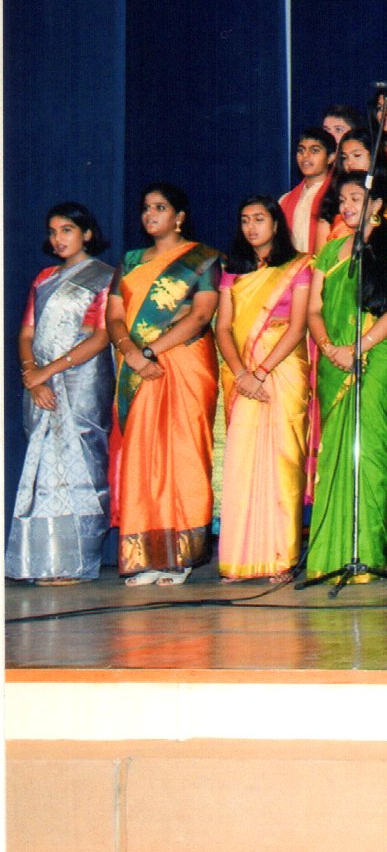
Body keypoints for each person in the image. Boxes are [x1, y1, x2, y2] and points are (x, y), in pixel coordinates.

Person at [305, 169, 387, 581]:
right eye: (342, 200)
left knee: (374, 455)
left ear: (376, 204)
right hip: (334, 361)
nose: (347, 207)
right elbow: (314, 310)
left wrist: (359, 347)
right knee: (336, 456)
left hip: (379, 358)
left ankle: (368, 557)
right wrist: (330, 349)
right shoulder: (330, 252)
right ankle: (330, 558)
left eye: (356, 199)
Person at [106, 183, 220, 585]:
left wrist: (150, 352)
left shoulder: (202, 259)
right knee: (142, 457)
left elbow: (201, 315)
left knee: (184, 453)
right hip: (138, 366)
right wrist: (133, 353)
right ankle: (146, 556)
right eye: (146, 208)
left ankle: (180, 556)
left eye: (160, 208)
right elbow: (114, 317)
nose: (149, 215)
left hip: (185, 362)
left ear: (179, 217)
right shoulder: (130, 261)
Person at [10, 203, 114, 583]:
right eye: (53, 232)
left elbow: (101, 337)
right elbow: (26, 333)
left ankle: (77, 563)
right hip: (40, 385)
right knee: (45, 472)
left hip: (82, 384)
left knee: (83, 469)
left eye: (67, 230)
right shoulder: (44, 278)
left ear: (87, 233)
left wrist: (47, 372)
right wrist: (31, 376)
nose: (58, 239)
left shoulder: (104, 277)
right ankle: (44, 561)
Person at [214, 196, 312, 584]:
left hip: (283, 369)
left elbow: (298, 326)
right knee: (242, 462)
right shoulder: (232, 271)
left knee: (283, 460)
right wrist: (243, 374)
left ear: (276, 223)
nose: (251, 227)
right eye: (245, 220)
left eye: (259, 219)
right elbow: (223, 327)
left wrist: (262, 371)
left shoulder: (299, 266)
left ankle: (280, 558)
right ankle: (240, 560)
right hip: (243, 374)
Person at [280, 126, 336, 255]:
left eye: (314, 150)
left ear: (331, 157)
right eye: (301, 150)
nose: (305, 156)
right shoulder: (285, 200)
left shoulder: (337, 197)